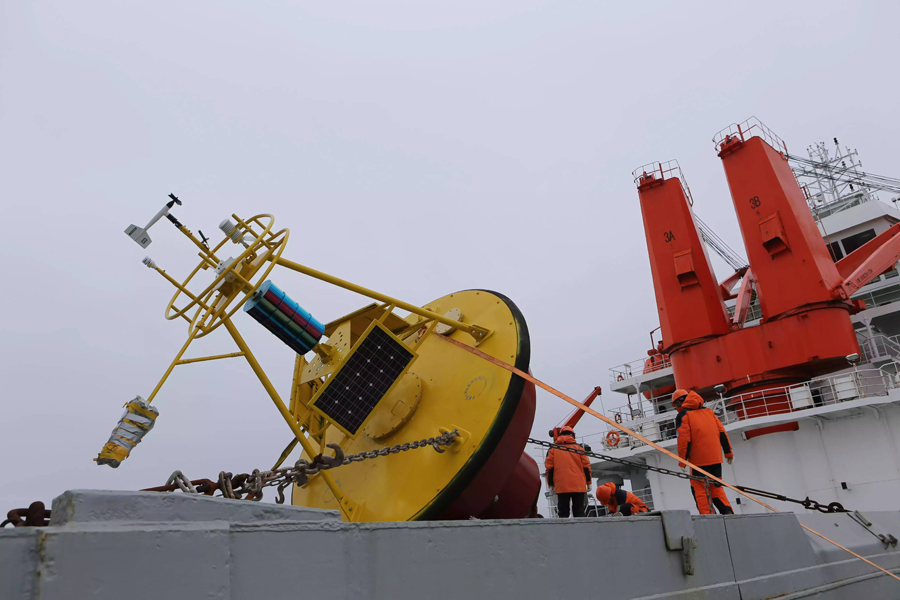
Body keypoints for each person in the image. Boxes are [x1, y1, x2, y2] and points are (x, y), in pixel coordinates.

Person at [673, 389, 735, 515]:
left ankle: (709, 517)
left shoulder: (683, 415)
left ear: (680, 402)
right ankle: (727, 512)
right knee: (716, 488)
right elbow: (722, 432)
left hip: (699, 461)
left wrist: (682, 461)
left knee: (700, 490)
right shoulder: (709, 412)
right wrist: (728, 453)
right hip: (716, 459)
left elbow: (684, 441)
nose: (676, 408)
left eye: (675, 405)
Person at [545, 426, 592, 518]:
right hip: (579, 485)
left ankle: (564, 531)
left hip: (562, 485)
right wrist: (589, 482)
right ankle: (581, 530)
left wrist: (550, 484)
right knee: (579, 512)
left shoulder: (553, 450)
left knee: (563, 512)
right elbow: (586, 467)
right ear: (573, 435)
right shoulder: (579, 449)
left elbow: (549, 469)